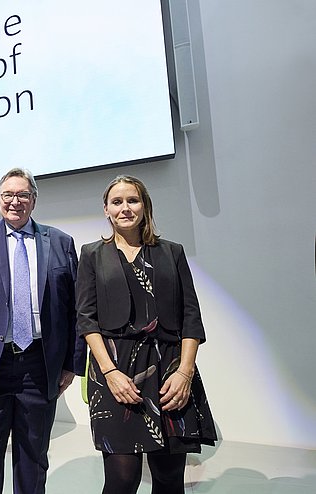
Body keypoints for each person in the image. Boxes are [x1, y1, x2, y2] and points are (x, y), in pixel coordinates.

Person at [76, 175, 217, 494]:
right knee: (122, 479)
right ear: (106, 210)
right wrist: (110, 373)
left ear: (145, 205)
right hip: (115, 374)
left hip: (170, 373)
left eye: (132, 200)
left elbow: (190, 317)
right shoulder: (92, 254)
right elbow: (86, 320)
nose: (125, 208)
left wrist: (185, 373)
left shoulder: (172, 252)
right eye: (117, 202)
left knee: (168, 478)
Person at [0, 167, 86, 494]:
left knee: (33, 454)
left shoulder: (60, 242)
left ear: (34, 200)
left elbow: (75, 310)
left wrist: (71, 364)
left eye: (22, 195)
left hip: (39, 366)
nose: (15, 201)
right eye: (7, 195)